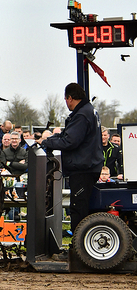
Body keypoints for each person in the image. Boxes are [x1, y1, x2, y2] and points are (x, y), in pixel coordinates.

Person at [42, 83, 103, 233]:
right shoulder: (90, 111)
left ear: (70, 98)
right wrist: (55, 138)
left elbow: (70, 141)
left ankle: (77, 249)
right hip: (90, 166)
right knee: (82, 207)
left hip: (83, 168)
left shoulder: (81, 114)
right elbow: (69, 136)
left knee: (78, 209)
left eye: (65, 99)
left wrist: (47, 142)